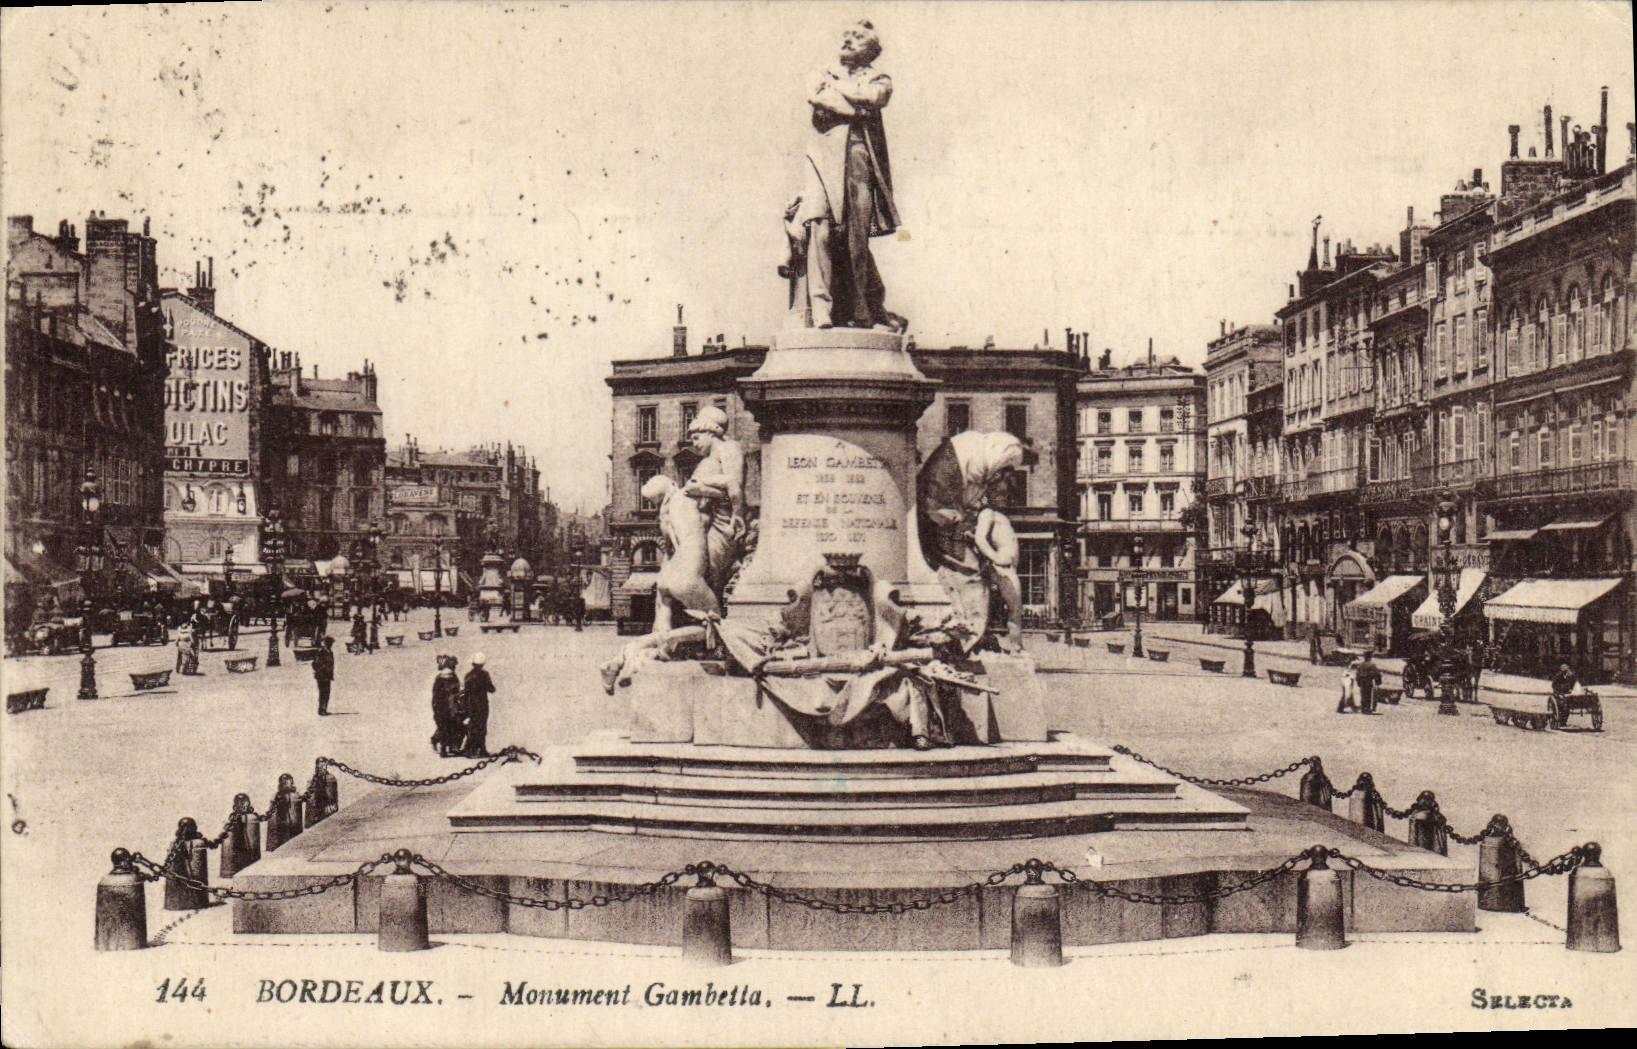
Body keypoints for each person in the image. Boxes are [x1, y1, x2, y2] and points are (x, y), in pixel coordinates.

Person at [791, 20, 905, 331]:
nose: (849, 41)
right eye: (847, 36)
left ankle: (861, 308)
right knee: (820, 227)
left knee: (856, 237)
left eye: (857, 38)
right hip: (821, 158)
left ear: (870, 50)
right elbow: (818, 96)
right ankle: (820, 307)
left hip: (858, 159)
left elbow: (876, 97)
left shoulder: (879, 77)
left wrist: (843, 95)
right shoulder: (821, 72)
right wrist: (856, 109)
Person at [974, 504, 1023, 653]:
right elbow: (980, 539)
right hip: (1001, 568)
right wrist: (995, 557)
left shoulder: (998, 515)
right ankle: (1016, 647)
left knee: (1014, 609)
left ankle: (1016, 646)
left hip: (1007, 568)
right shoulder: (988, 513)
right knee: (1014, 609)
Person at [461, 653, 496, 758]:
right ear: (483, 664)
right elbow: (492, 689)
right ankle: (480, 749)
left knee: (473, 726)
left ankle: (470, 749)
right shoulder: (485, 675)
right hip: (482, 704)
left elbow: (466, 691)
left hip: (470, 704)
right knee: (482, 727)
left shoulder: (468, 676)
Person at [430, 655, 463, 756]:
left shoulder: (439, 678)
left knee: (444, 726)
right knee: (452, 725)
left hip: (441, 706)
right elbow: (456, 691)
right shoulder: (453, 677)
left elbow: (435, 694)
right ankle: (449, 747)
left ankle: (443, 747)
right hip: (450, 706)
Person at [312, 636, 336, 715]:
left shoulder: (330, 651)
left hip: (328, 676)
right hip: (322, 676)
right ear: (326, 643)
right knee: (322, 693)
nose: (330, 645)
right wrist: (321, 671)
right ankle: (321, 710)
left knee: (327, 693)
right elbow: (315, 663)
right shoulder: (321, 652)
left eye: (331, 643)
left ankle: (324, 709)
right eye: (329, 643)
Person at [1356, 648, 1383, 714]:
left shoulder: (1361, 664)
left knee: (1363, 695)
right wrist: (1378, 682)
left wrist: (1358, 682)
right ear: (1370, 657)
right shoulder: (1372, 665)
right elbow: (1377, 674)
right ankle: (1367, 708)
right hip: (1368, 682)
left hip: (1362, 682)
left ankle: (1363, 708)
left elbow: (1357, 674)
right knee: (1368, 695)